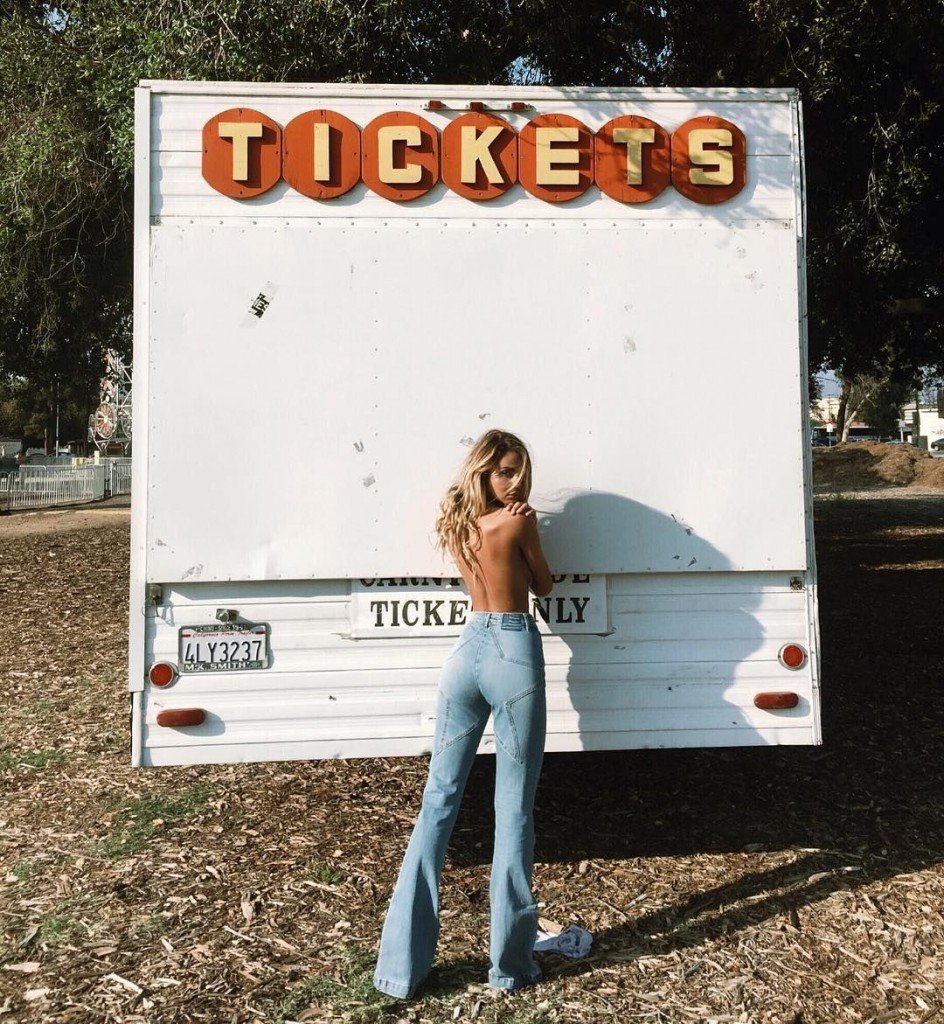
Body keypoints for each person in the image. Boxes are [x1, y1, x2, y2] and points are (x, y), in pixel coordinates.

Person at [373, 429, 554, 998]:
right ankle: (510, 966)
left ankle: (400, 970)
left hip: (465, 652)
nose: (515, 481)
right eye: (504, 471)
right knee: (513, 811)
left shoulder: (460, 524)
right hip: (512, 649)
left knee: (438, 802)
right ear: (483, 473)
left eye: (520, 470)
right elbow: (544, 586)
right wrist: (528, 533)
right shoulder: (519, 522)